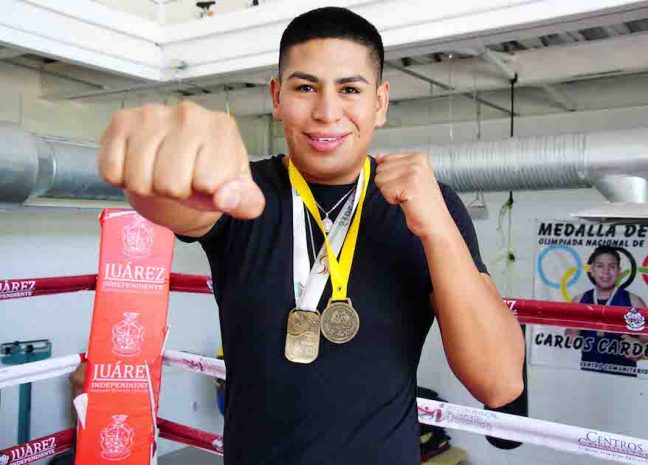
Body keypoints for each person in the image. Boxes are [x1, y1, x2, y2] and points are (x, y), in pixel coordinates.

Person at [96, 7, 524, 465]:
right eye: (305, 88)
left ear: (379, 103)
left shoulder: (431, 204)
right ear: (277, 97)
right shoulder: (242, 192)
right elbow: (175, 201)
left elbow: (499, 383)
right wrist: (152, 164)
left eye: (349, 89)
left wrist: (436, 228)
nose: (326, 112)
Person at [567, 246, 648, 377]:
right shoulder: (579, 300)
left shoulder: (633, 302)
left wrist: (640, 347)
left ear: (619, 271)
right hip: (588, 376)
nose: (606, 272)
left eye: (612, 267)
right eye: (600, 266)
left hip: (623, 378)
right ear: (592, 270)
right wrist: (572, 334)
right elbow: (569, 336)